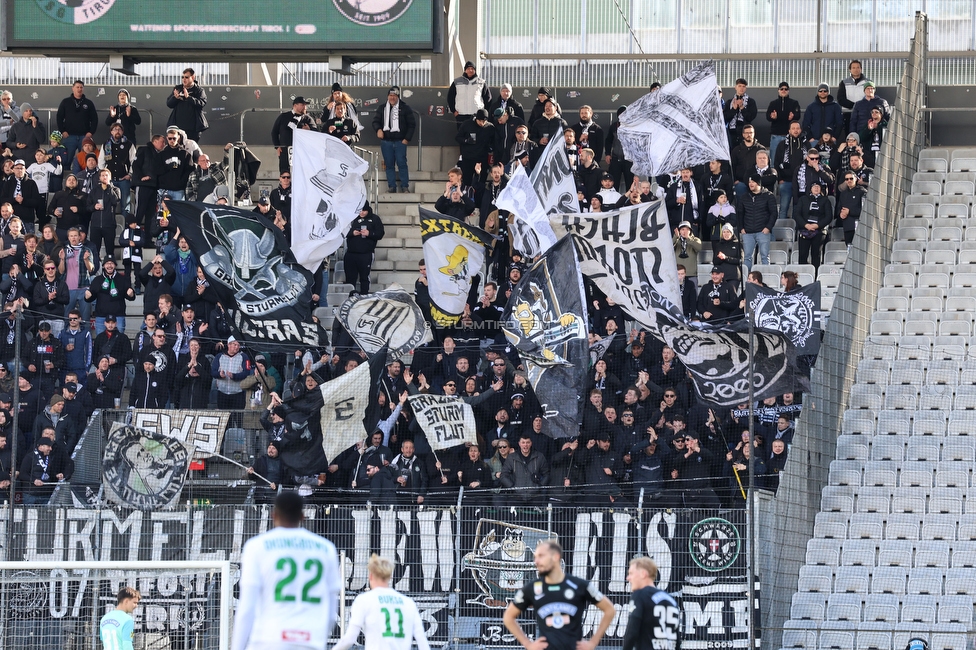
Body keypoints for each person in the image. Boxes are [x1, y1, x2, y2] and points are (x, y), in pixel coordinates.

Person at [232, 492, 340, 650]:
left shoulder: (257, 546)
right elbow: (331, 611)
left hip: (269, 640)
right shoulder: (326, 549)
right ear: (302, 516)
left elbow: (247, 607)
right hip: (309, 640)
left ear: (273, 515)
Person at [503, 539, 616, 650]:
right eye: (535, 557)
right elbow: (508, 617)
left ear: (556, 557)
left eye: (541, 556)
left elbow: (609, 609)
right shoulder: (531, 588)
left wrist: (592, 643)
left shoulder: (579, 585)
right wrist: (528, 644)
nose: (536, 561)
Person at [332, 554, 430, 650]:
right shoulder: (408, 603)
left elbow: (349, 639)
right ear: (389, 577)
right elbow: (422, 639)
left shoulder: (364, 600)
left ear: (370, 575)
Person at [621, 557, 680, 650]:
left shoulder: (640, 595)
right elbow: (677, 639)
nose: (628, 578)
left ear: (643, 574)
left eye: (631, 573)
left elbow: (631, 632)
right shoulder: (671, 600)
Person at [373, 86, 416, 194]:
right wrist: (378, 129)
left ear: (398, 96)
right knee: (389, 165)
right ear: (388, 96)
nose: (392, 97)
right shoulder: (382, 108)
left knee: (402, 164)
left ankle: (405, 187)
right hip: (386, 142)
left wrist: (407, 139)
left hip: (400, 141)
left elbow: (412, 124)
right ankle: (392, 187)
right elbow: (375, 121)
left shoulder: (405, 108)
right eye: (390, 95)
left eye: (394, 95)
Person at [343, 201, 384, 295]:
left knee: (364, 278)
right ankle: (350, 298)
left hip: (366, 254)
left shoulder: (374, 219)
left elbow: (380, 233)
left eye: (364, 210)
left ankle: (365, 296)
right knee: (350, 278)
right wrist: (352, 233)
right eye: (360, 210)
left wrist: (369, 233)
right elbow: (342, 231)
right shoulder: (352, 218)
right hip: (351, 253)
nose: (362, 213)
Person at [56, 81, 98, 163]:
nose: (79, 89)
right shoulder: (65, 102)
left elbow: (94, 119)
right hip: (69, 136)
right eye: (77, 87)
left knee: (85, 160)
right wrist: (62, 131)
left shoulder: (88, 103)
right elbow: (59, 117)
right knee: (66, 160)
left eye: (81, 87)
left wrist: (91, 132)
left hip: (84, 137)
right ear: (73, 88)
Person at [271, 96, 316, 173]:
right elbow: (274, 132)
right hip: (285, 151)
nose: (305, 107)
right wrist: (277, 147)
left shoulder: (308, 119)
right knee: (285, 173)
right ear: (295, 105)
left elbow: (316, 133)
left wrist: (309, 130)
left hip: (302, 153)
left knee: (301, 173)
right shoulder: (283, 117)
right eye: (302, 105)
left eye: (306, 105)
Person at [165, 68, 208, 143]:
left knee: (191, 148)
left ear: (193, 77)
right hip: (178, 126)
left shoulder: (199, 90)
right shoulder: (178, 88)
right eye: (183, 77)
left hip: (193, 127)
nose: (184, 79)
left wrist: (188, 98)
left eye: (186, 77)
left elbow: (201, 103)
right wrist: (175, 98)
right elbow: (169, 104)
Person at [448, 61, 491, 127]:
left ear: (475, 70)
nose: (470, 70)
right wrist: (453, 111)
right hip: (461, 114)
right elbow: (450, 97)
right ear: (465, 70)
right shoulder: (457, 82)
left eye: (472, 69)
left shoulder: (481, 82)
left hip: (477, 115)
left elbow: (488, 98)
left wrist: (484, 113)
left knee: (477, 135)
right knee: (462, 135)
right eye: (468, 68)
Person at [765, 81, 801, 157]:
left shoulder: (794, 103)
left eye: (786, 89)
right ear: (778, 90)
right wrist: (772, 117)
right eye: (782, 89)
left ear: (788, 90)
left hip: (789, 136)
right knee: (774, 159)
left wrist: (793, 117)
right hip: (776, 136)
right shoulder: (773, 103)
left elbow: (798, 116)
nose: (784, 91)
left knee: (790, 157)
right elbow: (767, 116)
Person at [801, 84, 843, 148]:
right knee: (814, 158)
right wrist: (810, 138)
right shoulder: (811, 107)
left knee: (831, 157)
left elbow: (839, 123)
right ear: (817, 92)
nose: (823, 92)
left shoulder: (835, 106)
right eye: (820, 91)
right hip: (814, 140)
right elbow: (806, 123)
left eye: (825, 91)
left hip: (830, 140)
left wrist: (835, 137)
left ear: (828, 92)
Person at [99, 586, 140, 650]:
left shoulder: (104, 618)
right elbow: (127, 645)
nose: (136, 606)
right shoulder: (128, 620)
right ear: (126, 601)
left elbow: (103, 640)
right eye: (134, 603)